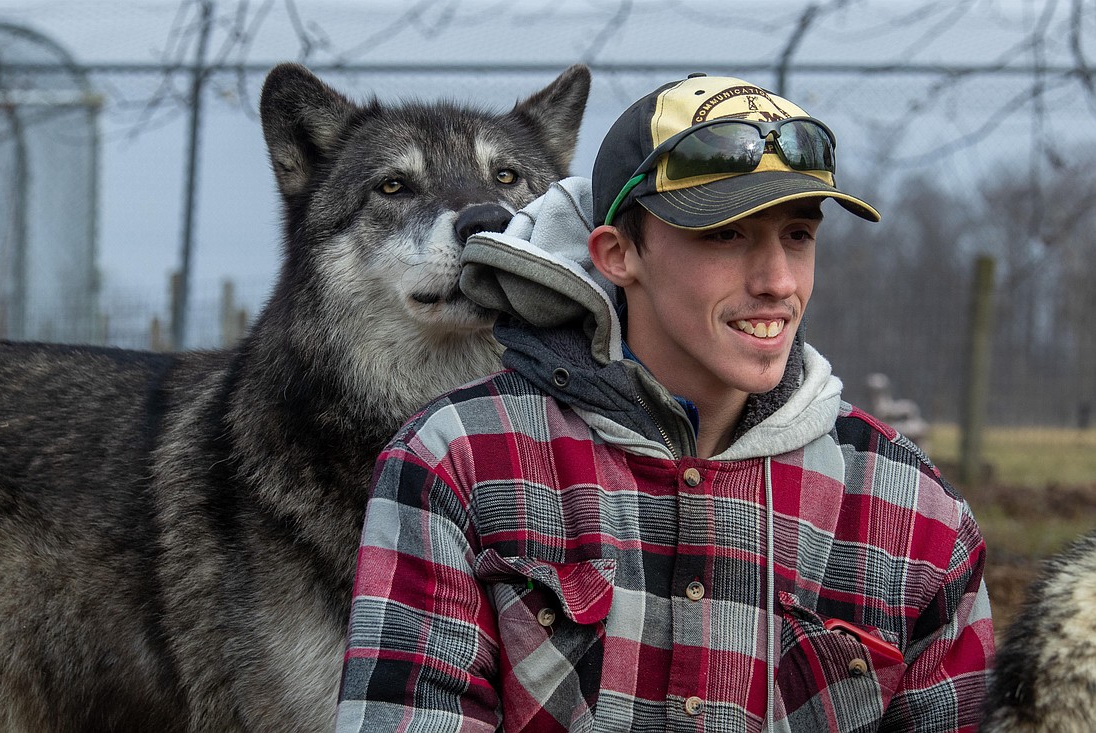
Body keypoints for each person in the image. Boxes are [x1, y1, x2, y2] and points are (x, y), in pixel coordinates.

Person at [335, 74, 995, 732]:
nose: (777, 282)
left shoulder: (912, 513)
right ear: (618, 254)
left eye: (797, 234)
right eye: (726, 235)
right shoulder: (459, 464)